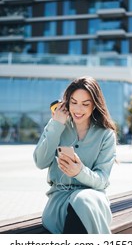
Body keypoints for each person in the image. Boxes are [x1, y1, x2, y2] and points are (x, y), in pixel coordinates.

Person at [33, 76, 117, 234]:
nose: (78, 110)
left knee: (82, 201)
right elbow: (40, 162)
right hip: (59, 201)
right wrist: (56, 125)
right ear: (67, 102)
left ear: (94, 106)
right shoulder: (57, 125)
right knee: (80, 204)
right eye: (74, 102)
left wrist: (79, 172)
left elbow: (102, 180)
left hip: (92, 200)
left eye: (85, 104)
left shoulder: (106, 135)